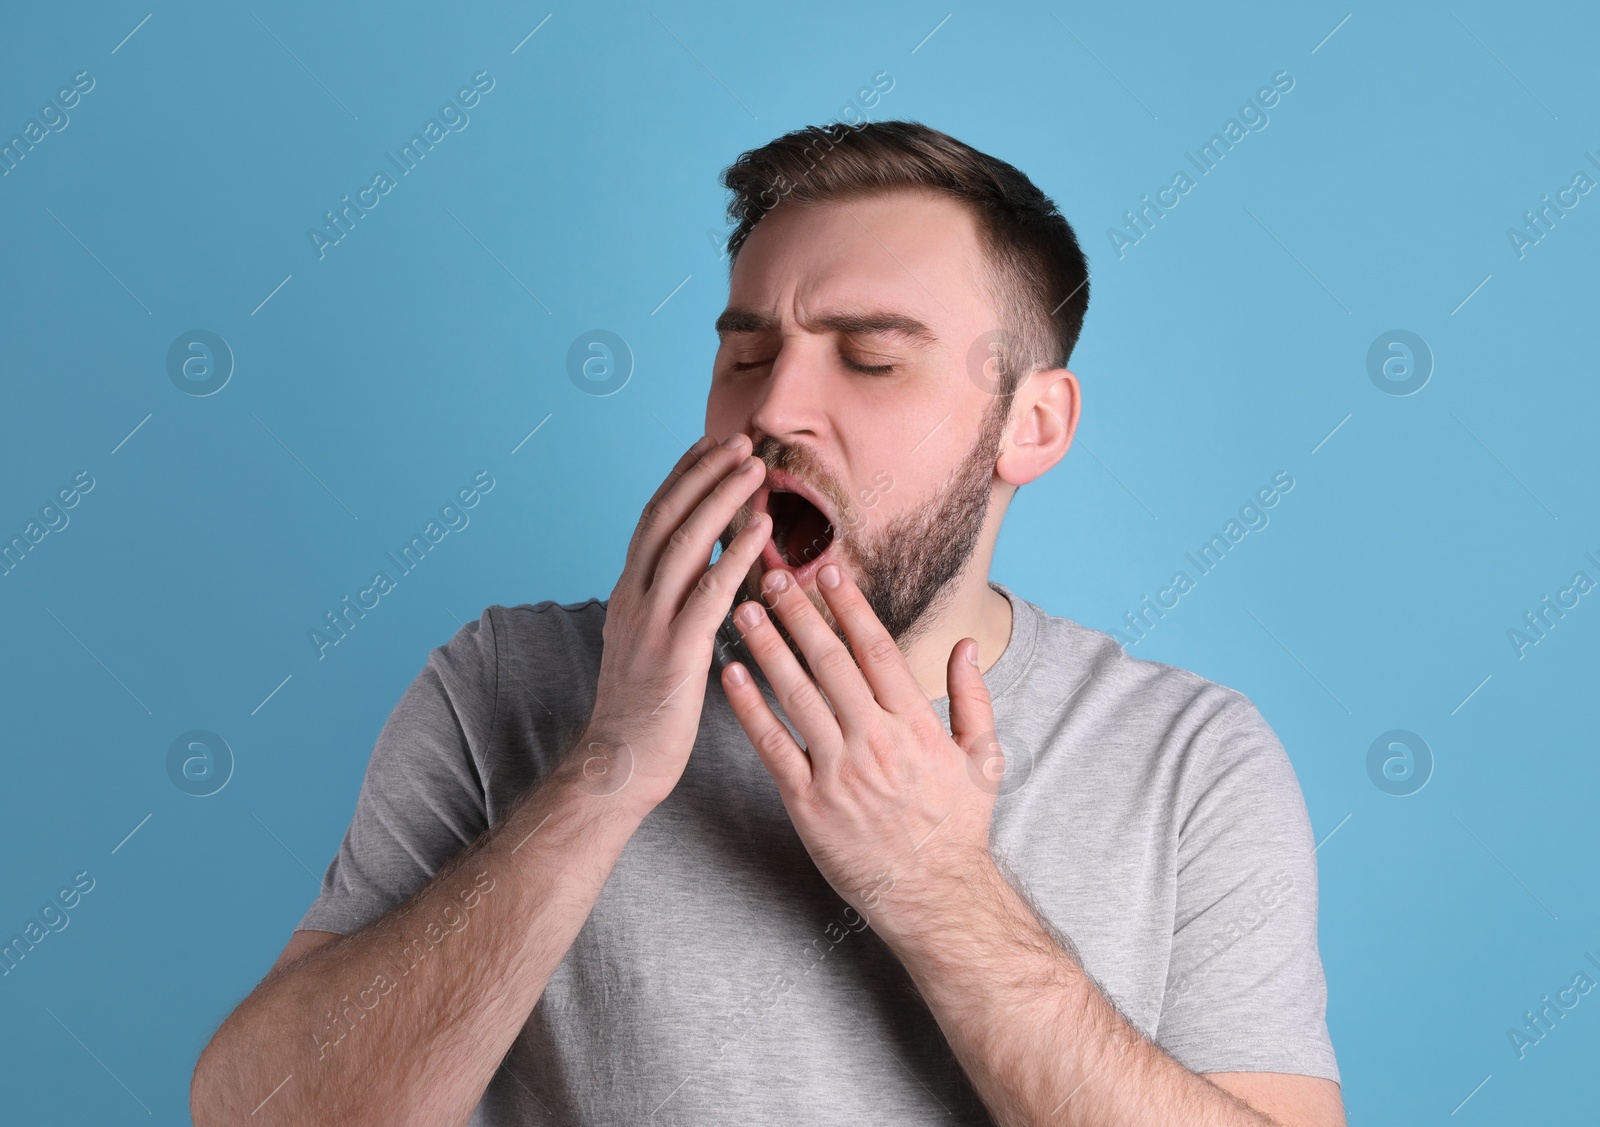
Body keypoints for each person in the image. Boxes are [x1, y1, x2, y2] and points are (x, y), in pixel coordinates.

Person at [192, 120, 1345, 1127]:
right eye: (745, 352)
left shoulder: (1188, 756)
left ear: (1030, 426)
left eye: (871, 358)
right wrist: (600, 774)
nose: (776, 408)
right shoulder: (509, 680)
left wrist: (939, 886)